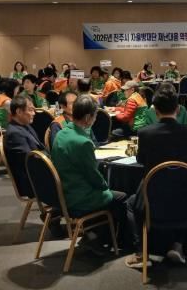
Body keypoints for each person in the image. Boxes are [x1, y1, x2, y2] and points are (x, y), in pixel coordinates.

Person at [124, 83, 187, 268]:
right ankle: (178, 245)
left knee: (130, 203)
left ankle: (141, 253)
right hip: (186, 198)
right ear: (178, 109)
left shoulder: (145, 133)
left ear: (156, 110)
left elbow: (141, 160)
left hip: (153, 197)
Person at [51, 94, 130, 251]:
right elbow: (93, 177)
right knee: (122, 197)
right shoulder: (83, 142)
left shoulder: (61, 134)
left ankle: (95, 235)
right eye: (94, 116)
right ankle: (117, 241)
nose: (95, 119)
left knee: (111, 191)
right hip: (79, 196)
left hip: (63, 191)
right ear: (88, 118)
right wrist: (106, 186)